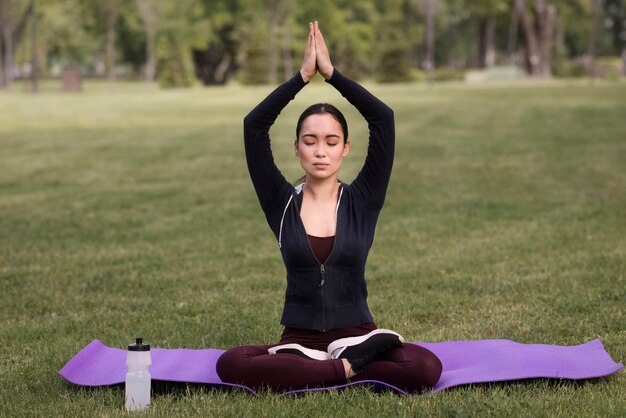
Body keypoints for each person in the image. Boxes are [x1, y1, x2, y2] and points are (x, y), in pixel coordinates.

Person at [216, 22, 442, 393]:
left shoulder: (363, 199)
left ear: (344, 148)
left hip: (357, 335)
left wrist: (332, 75)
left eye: (331, 141)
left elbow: (382, 120)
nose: (320, 151)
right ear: (297, 147)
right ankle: (350, 371)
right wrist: (301, 78)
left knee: (424, 367)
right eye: (310, 141)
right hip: (299, 343)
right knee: (231, 364)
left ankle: (340, 365)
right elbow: (254, 126)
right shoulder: (282, 203)